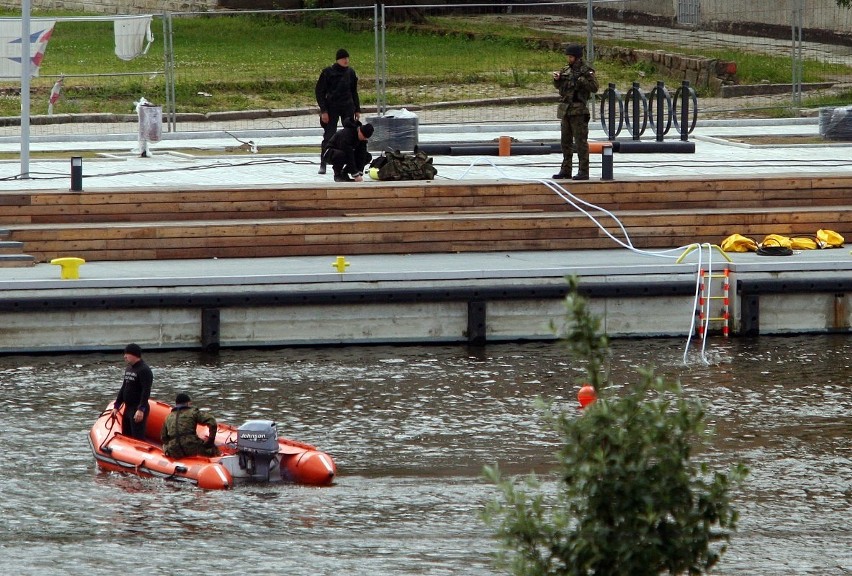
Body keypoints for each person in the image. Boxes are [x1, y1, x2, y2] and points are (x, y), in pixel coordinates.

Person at [552, 44, 599, 181]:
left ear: (577, 57)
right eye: (568, 56)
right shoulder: (566, 69)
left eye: (571, 56)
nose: (569, 59)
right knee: (565, 142)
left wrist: (582, 80)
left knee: (580, 143)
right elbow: (560, 86)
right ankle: (566, 169)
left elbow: (594, 88)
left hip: (579, 111)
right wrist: (557, 79)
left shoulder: (586, 71)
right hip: (566, 110)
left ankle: (583, 171)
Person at [315, 48, 362, 175]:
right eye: (343, 58)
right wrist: (324, 111)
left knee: (351, 135)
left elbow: (354, 92)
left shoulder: (351, 73)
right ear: (338, 60)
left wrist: (357, 109)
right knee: (329, 135)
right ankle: (323, 163)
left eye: (347, 58)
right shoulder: (328, 72)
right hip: (332, 107)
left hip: (348, 106)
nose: (346, 60)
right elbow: (319, 92)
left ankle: (352, 163)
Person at [160, 393, 220, 458]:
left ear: (176, 404)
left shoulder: (168, 417)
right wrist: (210, 440)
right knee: (214, 449)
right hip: (192, 448)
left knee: (165, 446)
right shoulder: (193, 412)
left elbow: (164, 437)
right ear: (188, 403)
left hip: (175, 451)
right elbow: (212, 421)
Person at [113, 343, 153, 439]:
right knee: (126, 435)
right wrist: (117, 405)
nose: (124, 357)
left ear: (134, 355)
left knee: (137, 437)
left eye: (127, 354)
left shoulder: (144, 370)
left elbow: (146, 391)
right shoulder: (129, 368)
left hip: (137, 408)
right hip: (128, 408)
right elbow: (124, 388)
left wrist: (141, 409)